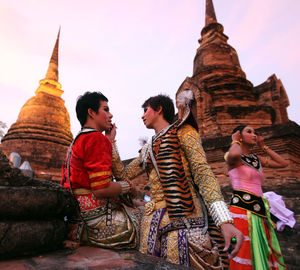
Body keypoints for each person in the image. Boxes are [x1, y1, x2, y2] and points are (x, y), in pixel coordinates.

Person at [107, 91, 243, 269]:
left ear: (159, 109)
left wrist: (224, 220)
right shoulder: (147, 148)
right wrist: (112, 142)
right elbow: (123, 174)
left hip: (184, 218)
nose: (142, 115)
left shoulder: (183, 132)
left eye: (146, 110)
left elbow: (203, 173)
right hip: (151, 223)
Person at [61, 91, 140, 249]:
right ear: (91, 112)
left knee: (139, 206)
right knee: (149, 219)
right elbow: (101, 189)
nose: (110, 115)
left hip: (77, 221)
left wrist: (110, 141)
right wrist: (130, 187)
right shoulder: (96, 138)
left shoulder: (78, 139)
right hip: (96, 224)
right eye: (106, 109)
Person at [226, 125, 287, 269]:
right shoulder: (233, 157)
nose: (254, 135)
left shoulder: (256, 159)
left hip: (260, 213)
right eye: (249, 132)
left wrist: (263, 146)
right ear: (239, 135)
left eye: (255, 132)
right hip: (241, 211)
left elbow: (283, 163)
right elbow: (234, 155)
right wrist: (235, 141)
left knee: (263, 250)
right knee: (246, 252)